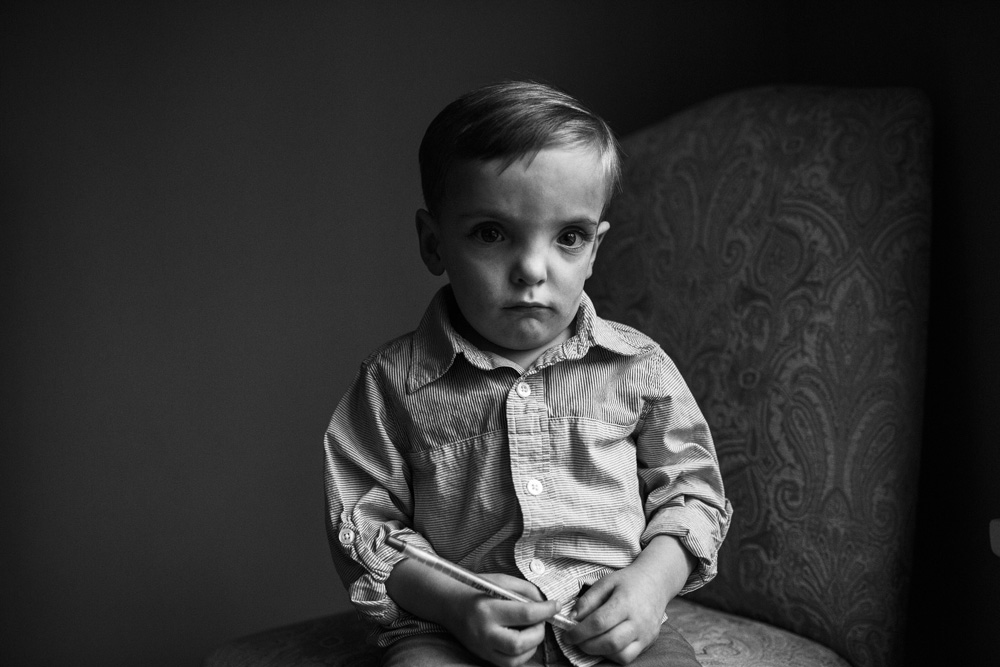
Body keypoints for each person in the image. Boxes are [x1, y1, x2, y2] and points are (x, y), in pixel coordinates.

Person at [324, 80, 732, 667]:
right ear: (433, 242)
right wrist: (458, 604)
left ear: (594, 249)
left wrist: (651, 584)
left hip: (608, 630)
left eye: (568, 237)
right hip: (453, 631)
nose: (532, 270)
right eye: (492, 234)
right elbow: (362, 525)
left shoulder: (636, 366)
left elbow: (694, 493)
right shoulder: (394, 385)